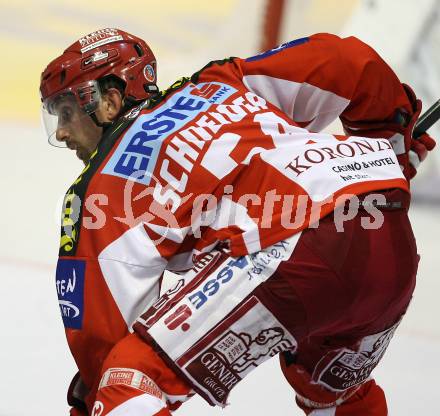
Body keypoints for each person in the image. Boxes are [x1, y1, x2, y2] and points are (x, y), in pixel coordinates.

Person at [40, 28, 436, 416]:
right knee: (326, 382)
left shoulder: (98, 189)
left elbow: (102, 334)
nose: (60, 131)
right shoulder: (221, 81)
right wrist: (390, 137)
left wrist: (95, 392)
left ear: (109, 100)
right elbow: (346, 61)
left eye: (67, 112)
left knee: (128, 384)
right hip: (385, 229)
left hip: (294, 250)